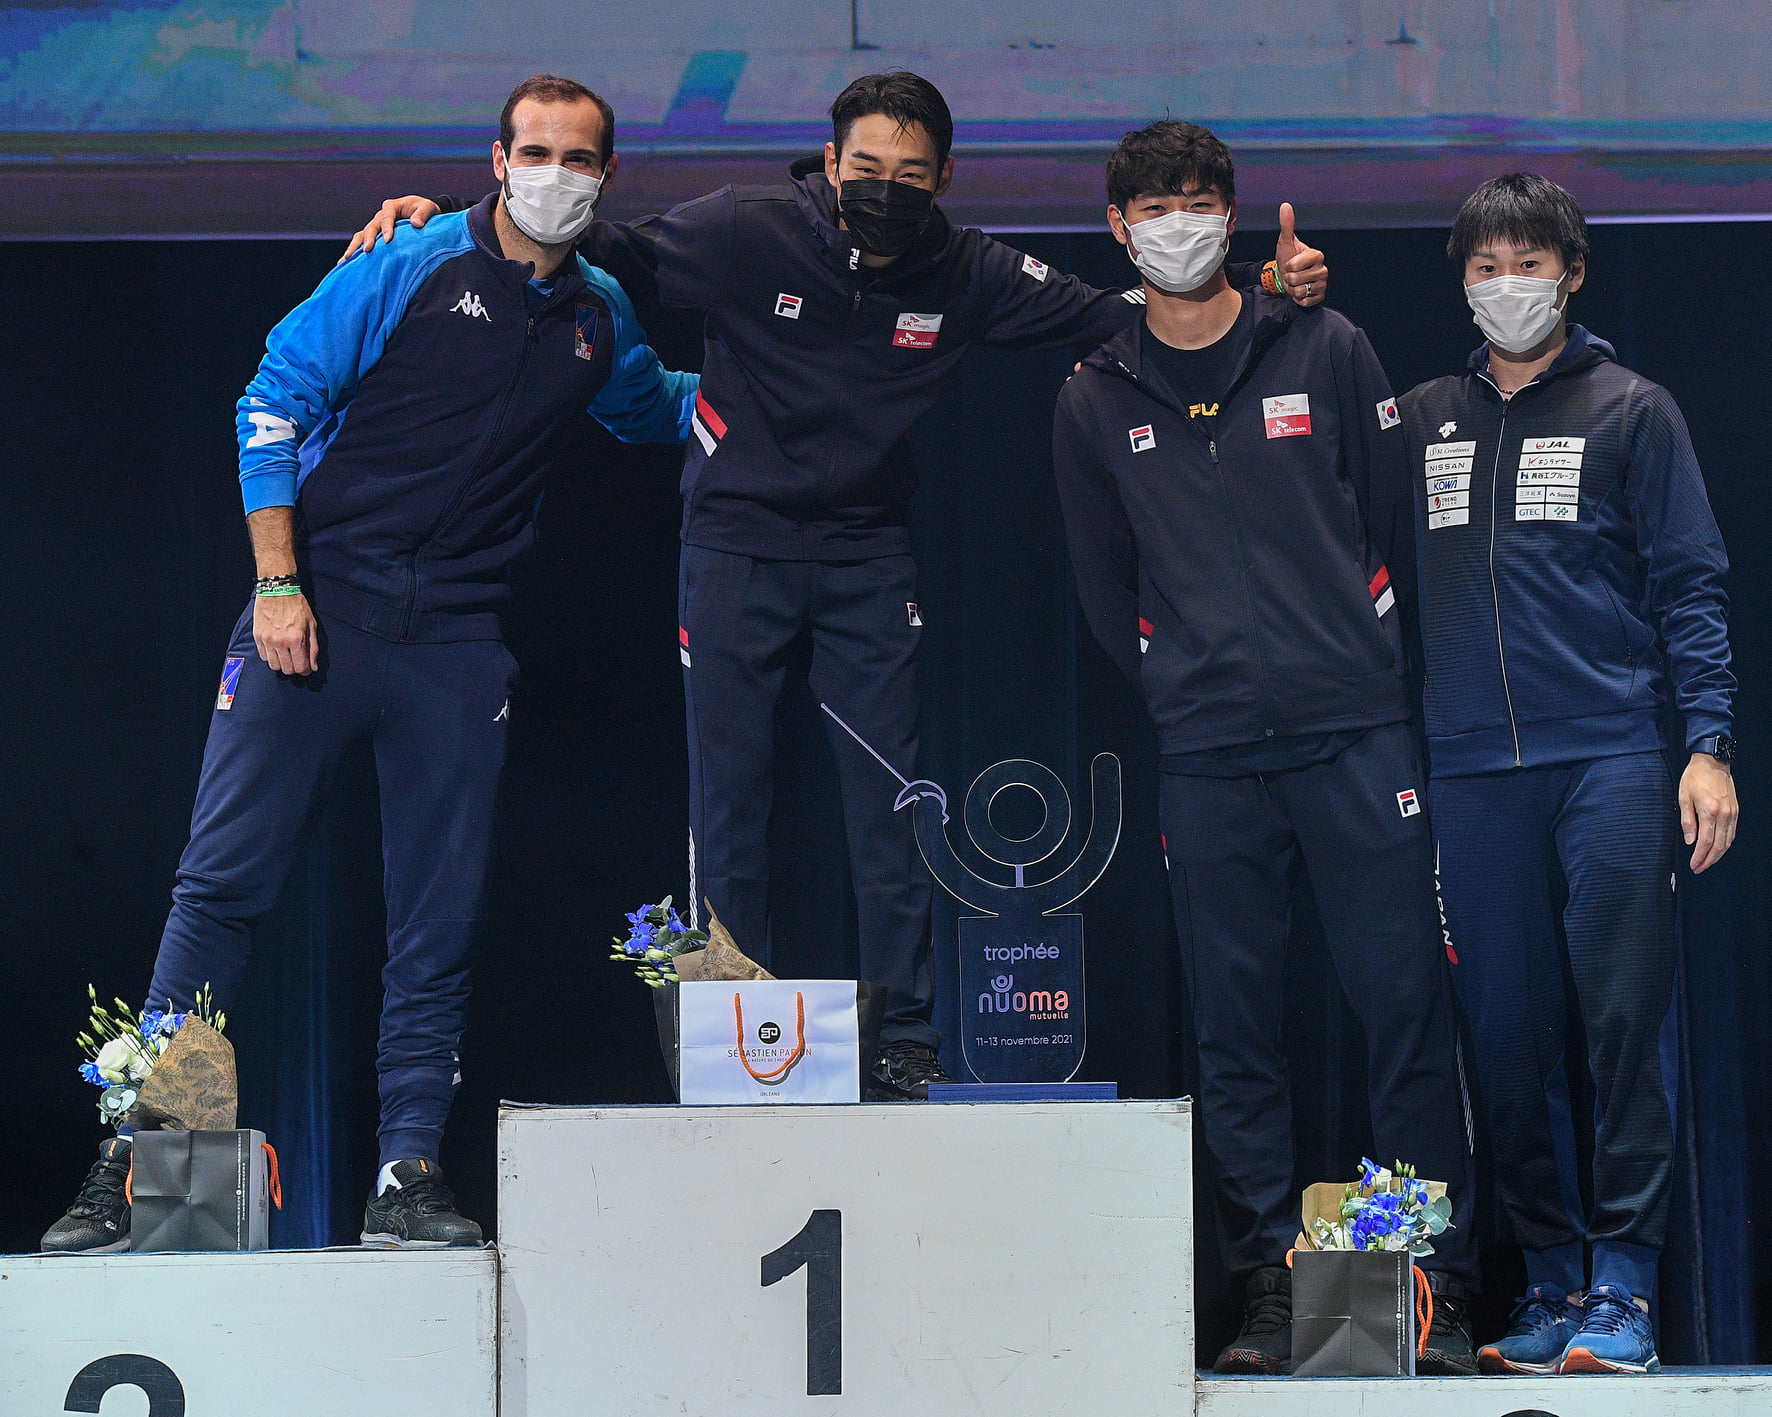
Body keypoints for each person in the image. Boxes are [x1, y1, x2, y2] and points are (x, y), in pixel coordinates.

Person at [342, 73, 1331, 1100]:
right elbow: (593, 241)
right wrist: (440, 224)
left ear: (945, 178)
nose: (886, 188)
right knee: (728, 798)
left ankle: (904, 1035)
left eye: (910, 174)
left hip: (866, 558)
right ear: (828, 163)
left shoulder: (969, 270)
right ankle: (731, 1030)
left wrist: (1259, 285)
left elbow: (1112, 313)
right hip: (731, 543)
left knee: (892, 800)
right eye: (865, 168)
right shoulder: (747, 229)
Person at [39, 75, 695, 1253]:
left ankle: (405, 1170)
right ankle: (129, 1160)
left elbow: (655, 413)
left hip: (453, 645)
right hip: (317, 616)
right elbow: (271, 404)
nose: (556, 176)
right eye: (535, 152)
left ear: (608, 175)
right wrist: (280, 584)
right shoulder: (406, 261)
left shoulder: (597, 316)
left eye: (580, 159)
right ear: (496, 159)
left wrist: (802, 393)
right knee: (220, 889)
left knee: (434, 922)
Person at [1051, 119, 1478, 1375]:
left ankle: (1421, 1284)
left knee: (1402, 1010)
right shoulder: (1092, 391)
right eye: (1152, 205)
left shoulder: (1322, 343)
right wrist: (1182, 690)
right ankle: (1261, 1289)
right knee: (1234, 1028)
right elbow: (1099, 580)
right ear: (1116, 227)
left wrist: (1359, 654)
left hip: (1355, 732)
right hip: (1209, 750)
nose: (1177, 221)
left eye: (1197, 199)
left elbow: (1393, 513)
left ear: (1231, 216)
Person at [1399, 173, 1738, 1376]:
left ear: (1571, 270)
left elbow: (1689, 584)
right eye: (1482, 267)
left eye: (1525, 262)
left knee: (1617, 1027)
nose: (1504, 286)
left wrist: (1705, 744)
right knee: (1504, 1042)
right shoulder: (1423, 417)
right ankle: (1544, 1283)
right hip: (1469, 776)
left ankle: (1626, 1293)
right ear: (1461, 280)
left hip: (1610, 759)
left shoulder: (1630, 410)